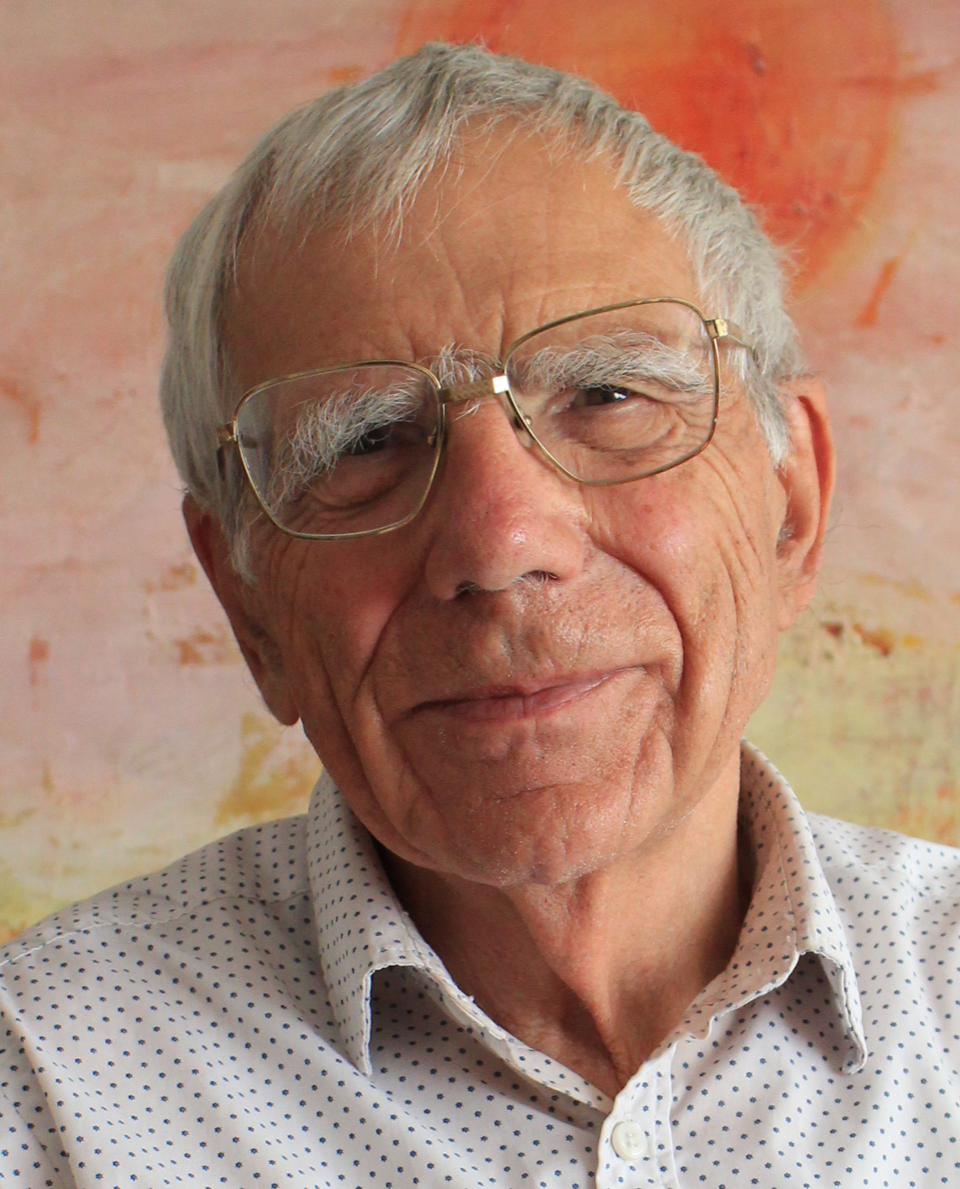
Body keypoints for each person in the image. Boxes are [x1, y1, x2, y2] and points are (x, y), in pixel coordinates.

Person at [2, 42, 958, 1189]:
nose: (501, 546)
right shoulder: (43, 1092)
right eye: (367, 442)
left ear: (790, 504)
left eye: (606, 394)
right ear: (247, 604)